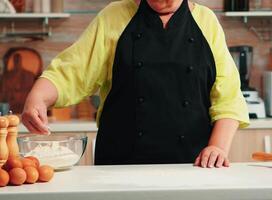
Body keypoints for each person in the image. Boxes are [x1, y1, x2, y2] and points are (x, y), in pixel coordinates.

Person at [22, 0, 249, 168]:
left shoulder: (206, 21)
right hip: (120, 166)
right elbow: (71, 70)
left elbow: (228, 97)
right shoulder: (114, 16)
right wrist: (38, 96)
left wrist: (217, 147)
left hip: (193, 167)